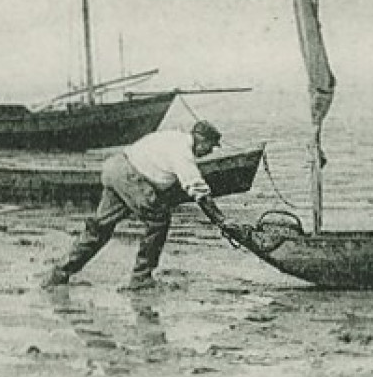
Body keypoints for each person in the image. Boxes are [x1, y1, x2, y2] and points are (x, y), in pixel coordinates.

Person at [43, 121, 234, 291]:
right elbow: (198, 190)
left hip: (115, 167)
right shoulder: (183, 153)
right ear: (201, 139)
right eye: (210, 147)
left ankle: (60, 272)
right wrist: (220, 220)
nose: (209, 152)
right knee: (159, 220)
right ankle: (141, 277)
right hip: (131, 177)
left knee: (100, 227)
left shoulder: (173, 136)